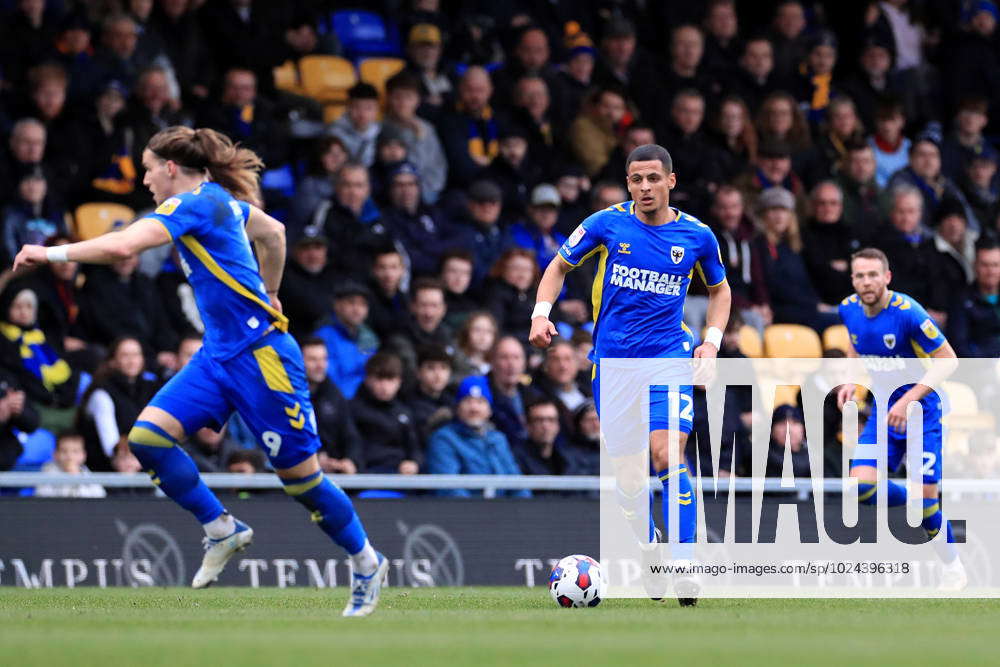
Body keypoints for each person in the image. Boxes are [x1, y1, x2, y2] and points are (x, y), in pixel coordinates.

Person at [12, 126, 388, 615]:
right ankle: (221, 529)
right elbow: (274, 233)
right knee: (146, 440)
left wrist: (51, 252)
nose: (144, 179)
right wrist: (271, 291)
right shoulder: (218, 200)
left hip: (263, 358)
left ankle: (366, 561)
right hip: (217, 356)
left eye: (147, 168)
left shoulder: (189, 204)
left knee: (301, 481)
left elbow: (125, 247)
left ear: (170, 168)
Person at [529, 143, 732, 606]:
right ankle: (650, 549)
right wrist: (541, 314)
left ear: (670, 181)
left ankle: (684, 562)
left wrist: (711, 342)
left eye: (653, 179)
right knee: (629, 479)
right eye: (636, 179)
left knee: (667, 454)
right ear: (628, 184)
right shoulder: (605, 224)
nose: (645, 187)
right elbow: (558, 266)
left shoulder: (697, 236)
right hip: (613, 364)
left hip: (668, 355)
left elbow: (721, 293)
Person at [837, 247, 967, 590]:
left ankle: (953, 567)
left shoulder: (908, 313)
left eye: (873, 275)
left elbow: (949, 360)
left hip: (923, 413)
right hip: (884, 412)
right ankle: (916, 496)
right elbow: (855, 345)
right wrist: (851, 379)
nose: (866, 282)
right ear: (853, 280)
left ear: (887, 277)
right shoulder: (848, 309)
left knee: (927, 510)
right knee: (859, 488)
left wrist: (908, 400)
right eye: (860, 276)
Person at [424, 375, 528, 497]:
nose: (474, 408)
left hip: (503, 512)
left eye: (480, 402)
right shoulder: (443, 439)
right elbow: (449, 489)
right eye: (468, 401)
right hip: (465, 513)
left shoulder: (498, 439)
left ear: (489, 410)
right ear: (457, 408)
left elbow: (516, 483)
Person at [349, 351, 420, 474]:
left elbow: (414, 447)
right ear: (368, 379)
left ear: (399, 382)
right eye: (379, 379)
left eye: (390, 379)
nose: (384, 386)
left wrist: (414, 463)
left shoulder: (405, 413)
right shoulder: (352, 410)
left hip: (400, 477)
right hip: (365, 477)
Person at [301, 337, 361, 475]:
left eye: (324, 359)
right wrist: (316, 457)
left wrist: (351, 461)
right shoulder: (287, 395)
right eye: (313, 360)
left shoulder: (334, 394)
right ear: (298, 361)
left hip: (334, 473)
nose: (320, 365)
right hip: (297, 472)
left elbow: (350, 435)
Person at [312, 281, 380, 399]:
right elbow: (331, 381)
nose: (357, 309)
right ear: (337, 305)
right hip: (337, 403)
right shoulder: (323, 337)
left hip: (366, 403)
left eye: (363, 304)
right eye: (351, 303)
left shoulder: (369, 338)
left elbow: (374, 375)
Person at [948, 239, 1000, 357]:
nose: (990, 271)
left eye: (995, 265)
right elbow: (959, 345)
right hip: (981, 369)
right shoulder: (961, 299)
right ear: (975, 265)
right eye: (985, 265)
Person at [35, 431, 107, 498]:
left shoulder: (86, 473)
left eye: (75, 451)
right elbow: (43, 496)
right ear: (55, 454)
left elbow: (99, 495)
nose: (69, 456)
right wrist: (69, 477)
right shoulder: (48, 472)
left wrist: (76, 476)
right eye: (64, 451)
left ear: (83, 455)